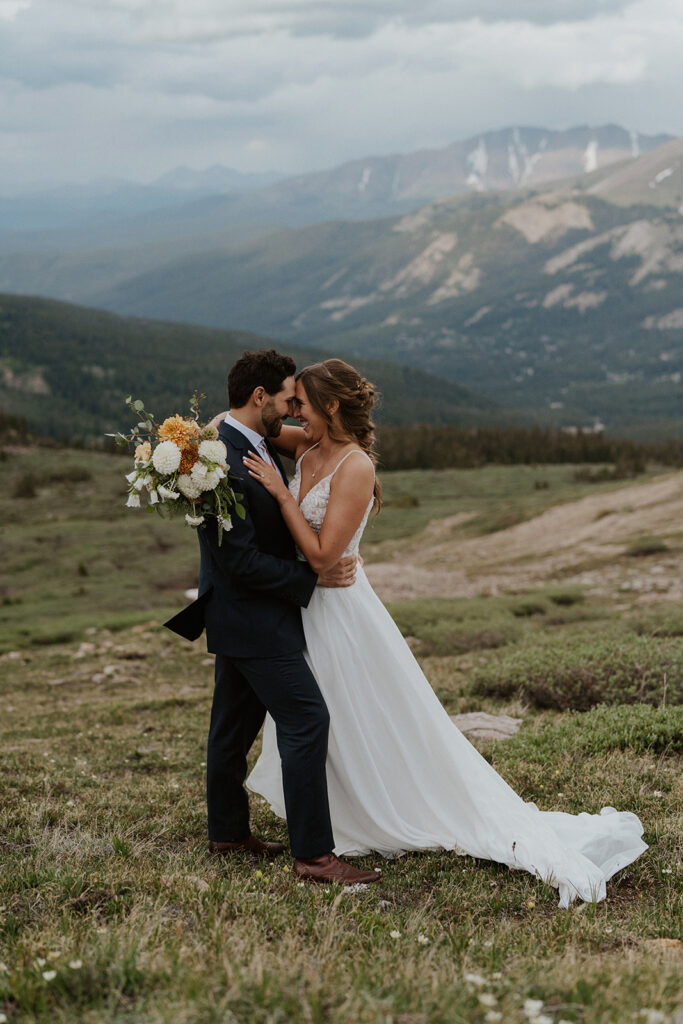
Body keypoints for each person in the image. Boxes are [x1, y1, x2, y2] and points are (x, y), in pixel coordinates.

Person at [241, 357, 648, 907]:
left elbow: (320, 555)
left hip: (340, 610)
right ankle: (336, 812)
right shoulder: (307, 446)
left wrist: (281, 494)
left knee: (363, 714)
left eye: (304, 406)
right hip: (306, 610)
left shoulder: (355, 466)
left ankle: (387, 809)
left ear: (331, 406)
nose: (294, 414)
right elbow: (252, 425)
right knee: (329, 718)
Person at [165, 349, 380, 886]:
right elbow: (238, 560)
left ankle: (229, 833)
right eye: (287, 401)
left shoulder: (243, 442)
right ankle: (313, 856)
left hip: (243, 617)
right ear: (260, 397)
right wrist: (310, 578)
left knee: (232, 728)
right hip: (255, 618)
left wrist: (210, 426)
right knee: (306, 720)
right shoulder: (226, 460)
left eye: (300, 404)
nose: (291, 412)